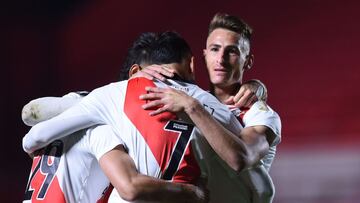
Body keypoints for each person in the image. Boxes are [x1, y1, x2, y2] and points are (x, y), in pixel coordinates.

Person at [22, 31, 244, 202]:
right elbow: (247, 154)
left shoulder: (108, 97)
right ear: (192, 64)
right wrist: (193, 192)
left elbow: (32, 130)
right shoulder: (211, 105)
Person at [138, 13, 281, 203]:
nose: (221, 59)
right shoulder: (184, 98)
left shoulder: (260, 115)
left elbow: (241, 158)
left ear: (248, 61)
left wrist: (192, 107)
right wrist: (142, 74)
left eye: (232, 51)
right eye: (215, 49)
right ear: (204, 56)